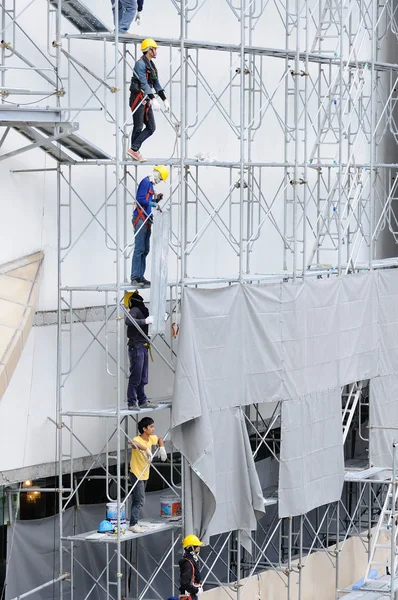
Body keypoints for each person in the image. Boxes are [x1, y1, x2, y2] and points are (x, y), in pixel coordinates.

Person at [127, 38, 170, 162]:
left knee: (151, 127)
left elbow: (156, 83)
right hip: (138, 98)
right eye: (154, 48)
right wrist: (153, 98)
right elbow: (143, 83)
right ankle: (134, 150)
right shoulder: (140, 64)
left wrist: (164, 99)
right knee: (138, 126)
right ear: (149, 50)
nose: (156, 51)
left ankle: (134, 149)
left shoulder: (151, 65)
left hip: (146, 99)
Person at [130, 165, 169, 287]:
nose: (160, 181)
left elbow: (147, 202)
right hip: (141, 219)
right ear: (158, 175)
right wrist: (153, 202)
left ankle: (140, 276)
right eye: (161, 179)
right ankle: (135, 276)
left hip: (147, 220)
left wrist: (155, 201)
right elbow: (140, 199)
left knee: (145, 249)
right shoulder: (146, 182)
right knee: (139, 249)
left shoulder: (150, 185)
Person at [129, 417, 167, 533]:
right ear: (144, 429)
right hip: (136, 473)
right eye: (151, 427)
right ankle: (133, 523)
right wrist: (146, 448)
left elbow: (160, 438)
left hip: (145, 473)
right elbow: (133, 443)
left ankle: (133, 522)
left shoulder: (151, 438)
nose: (153, 429)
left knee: (137, 499)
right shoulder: (138, 439)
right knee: (140, 500)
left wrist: (162, 447)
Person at [125, 290, 154, 409]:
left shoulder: (143, 310)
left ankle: (142, 400)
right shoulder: (135, 310)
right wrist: (144, 321)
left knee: (143, 376)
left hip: (143, 346)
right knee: (136, 376)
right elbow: (128, 321)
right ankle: (132, 402)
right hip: (136, 347)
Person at [179, 535, 204, 599]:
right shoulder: (188, 564)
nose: (199, 547)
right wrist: (196, 590)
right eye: (197, 545)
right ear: (190, 547)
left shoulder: (192, 561)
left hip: (191, 594)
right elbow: (185, 583)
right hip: (189, 596)